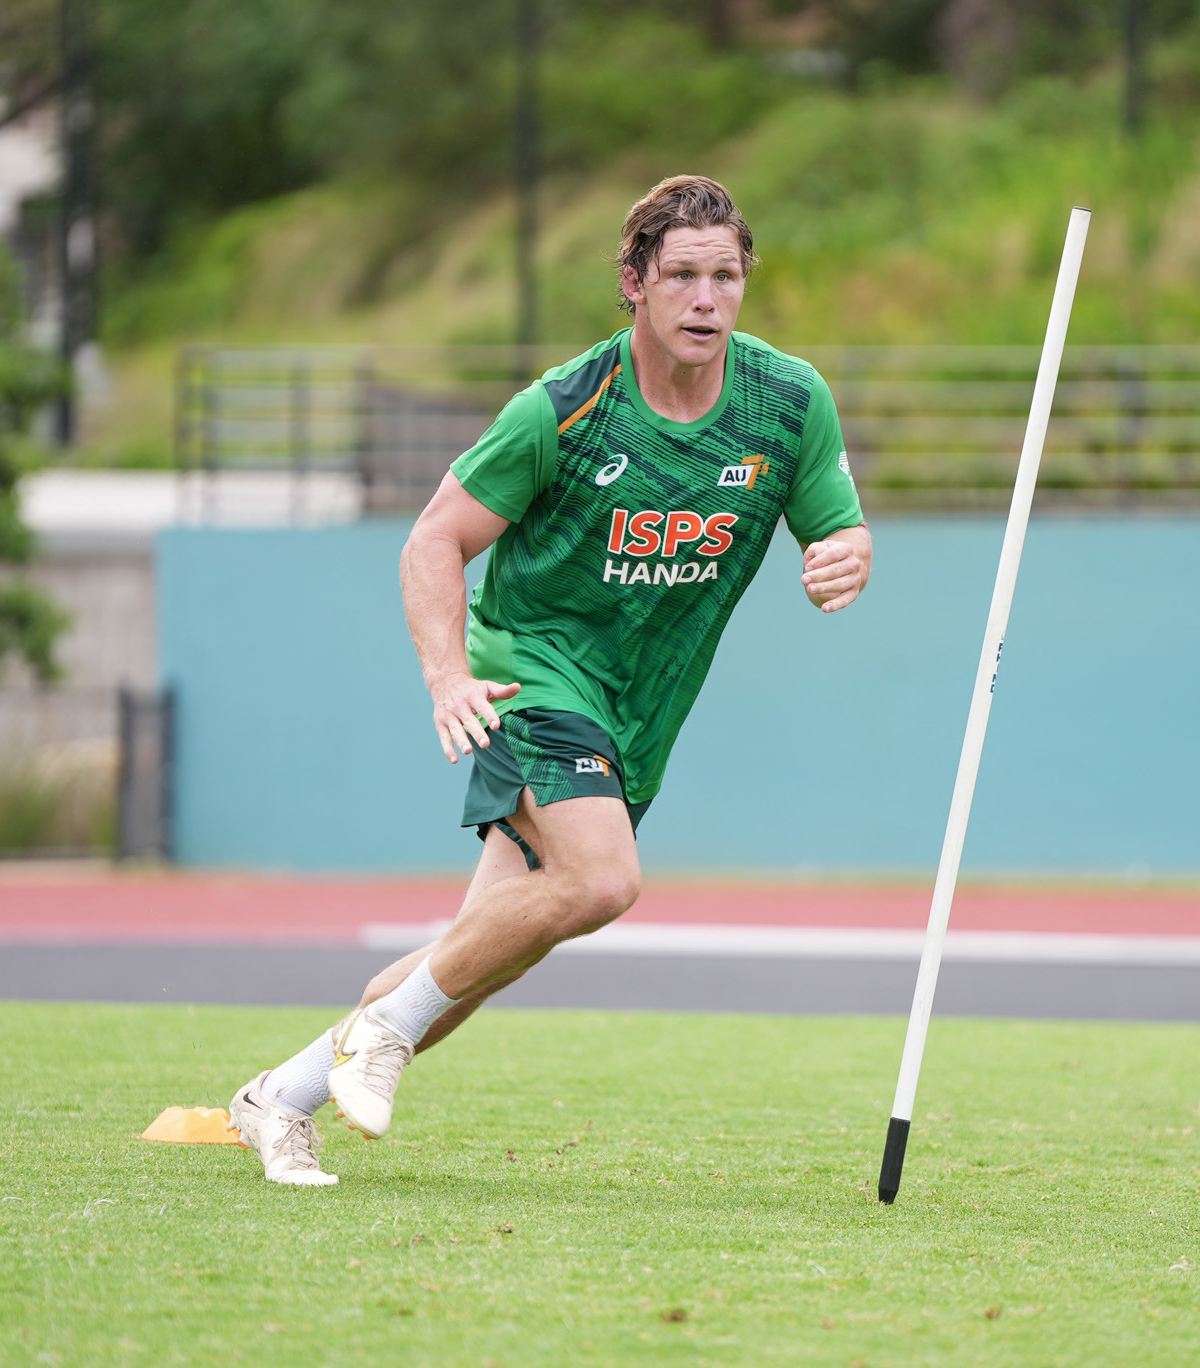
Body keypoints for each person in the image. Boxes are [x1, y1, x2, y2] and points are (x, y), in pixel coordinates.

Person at [228, 175, 873, 1185]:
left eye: (724, 276)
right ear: (633, 282)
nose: (705, 300)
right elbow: (434, 540)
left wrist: (845, 556)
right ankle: (380, 1039)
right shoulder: (565, 409)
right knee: (603, 879)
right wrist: (446, 677)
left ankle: (279, 1098)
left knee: (481, 954)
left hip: (637, 712)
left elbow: (837, 526)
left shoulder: (787, 403)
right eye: (681, 277)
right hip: (528, 670)